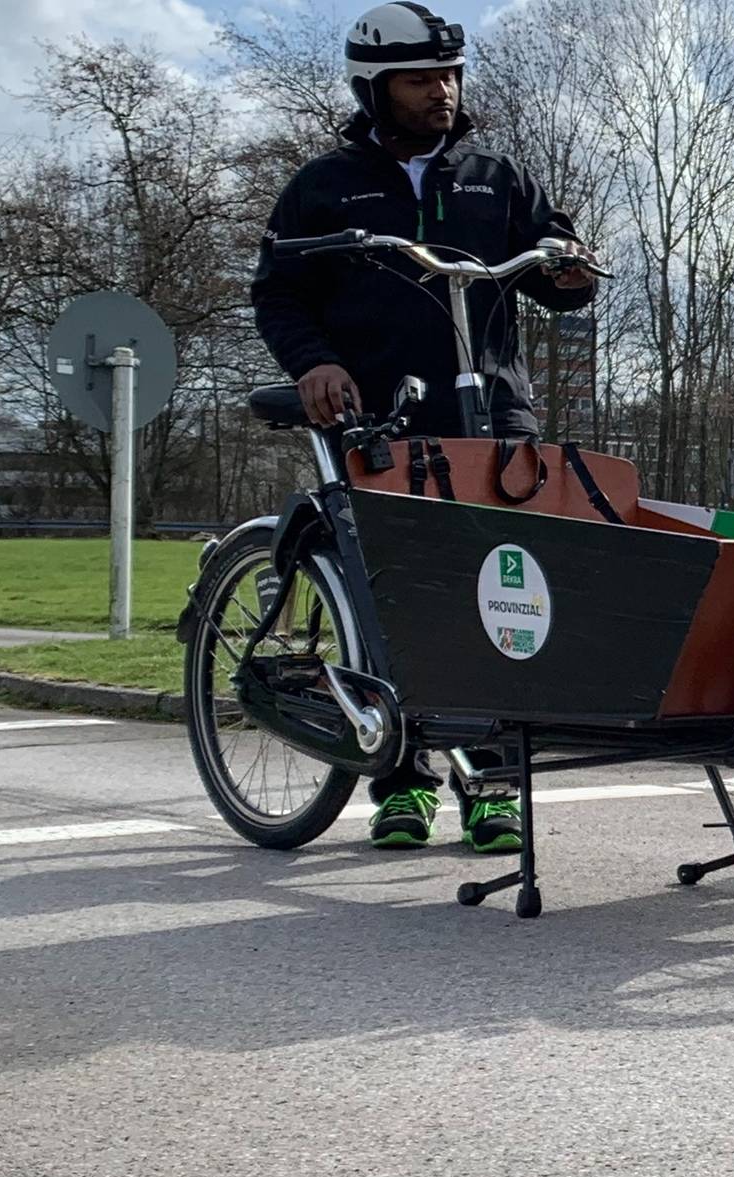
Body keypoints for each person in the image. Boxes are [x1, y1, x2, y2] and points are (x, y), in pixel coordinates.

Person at [250, 2, 600, 854]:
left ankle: (492, 783)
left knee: (504, 595)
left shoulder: (494, 173)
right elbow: (278, 292)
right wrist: (315, 364)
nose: (441, 92)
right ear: (375, 89)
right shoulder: (324, 186)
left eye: (449, 75)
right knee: (394, 594)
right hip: (372, 411)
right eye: (420, 79)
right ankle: (399, 781)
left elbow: (558, 274)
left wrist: (569, 268)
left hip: (490, 414)